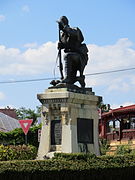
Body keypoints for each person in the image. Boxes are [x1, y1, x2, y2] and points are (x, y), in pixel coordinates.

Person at [57, 16, 89, 88]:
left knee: (67, 56)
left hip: (79, 56)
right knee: (67, 55)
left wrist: (65, 27)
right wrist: (61, 45)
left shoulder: (75, 29)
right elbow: (66, 45)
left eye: (60, 24)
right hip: (71, 56)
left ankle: (67, 78)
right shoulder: (63, 35)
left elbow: (74, 34)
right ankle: (72, 78)